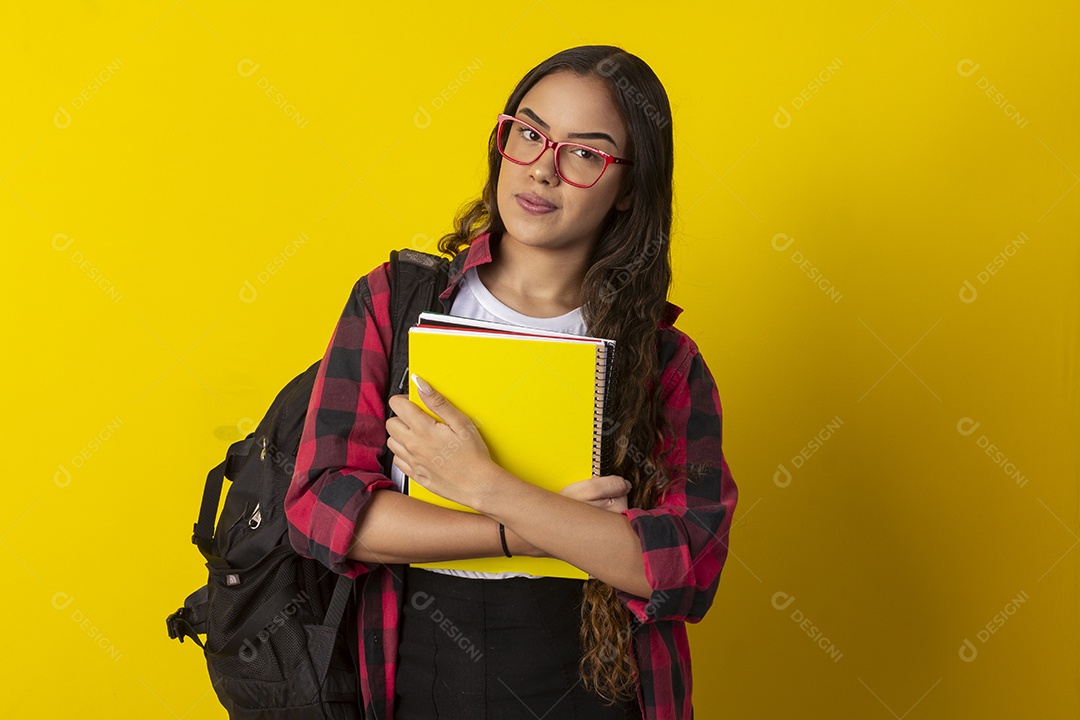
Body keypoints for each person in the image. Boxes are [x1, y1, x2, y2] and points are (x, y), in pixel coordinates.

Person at [284, 44, 738, 720]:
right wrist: (530, 530)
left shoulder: (665, 359)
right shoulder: (396, 302)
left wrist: (483, 486)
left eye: (585, 154)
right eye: (528, 133)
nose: (543, 170)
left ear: (629, 190)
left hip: (594, 680)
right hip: (423, 665)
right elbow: (324, 512)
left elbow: (686, 566)